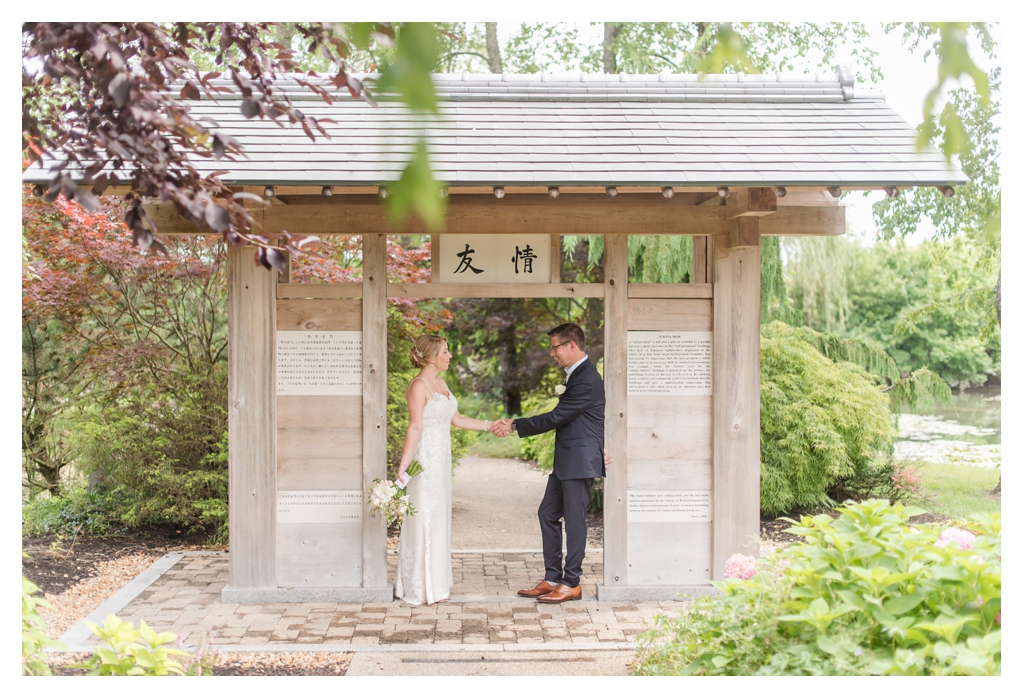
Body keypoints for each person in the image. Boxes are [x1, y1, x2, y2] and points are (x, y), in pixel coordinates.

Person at [490, 322, 605, 604]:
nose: (552, 353)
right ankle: (553, 578)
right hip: (568, 458)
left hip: (579, 459)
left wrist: (515, 424)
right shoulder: (575, 375)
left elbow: (557, 417)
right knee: (547, 514)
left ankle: (572, 583)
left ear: (572, 346)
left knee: (575, 521)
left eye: (555, 347)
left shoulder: (586, 378)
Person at [393, 335, 493, 606]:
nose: (450, 356)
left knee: (438, 519)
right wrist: (403, 466)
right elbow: (415, 427)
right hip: (425, 462)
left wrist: (490, 425)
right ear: (431, 356)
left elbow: (456, 419)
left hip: (441, 461)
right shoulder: (418, 386)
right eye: (446, 352)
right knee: (425, 516)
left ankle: (437, 583)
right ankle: (420, 586)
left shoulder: (441, 383)